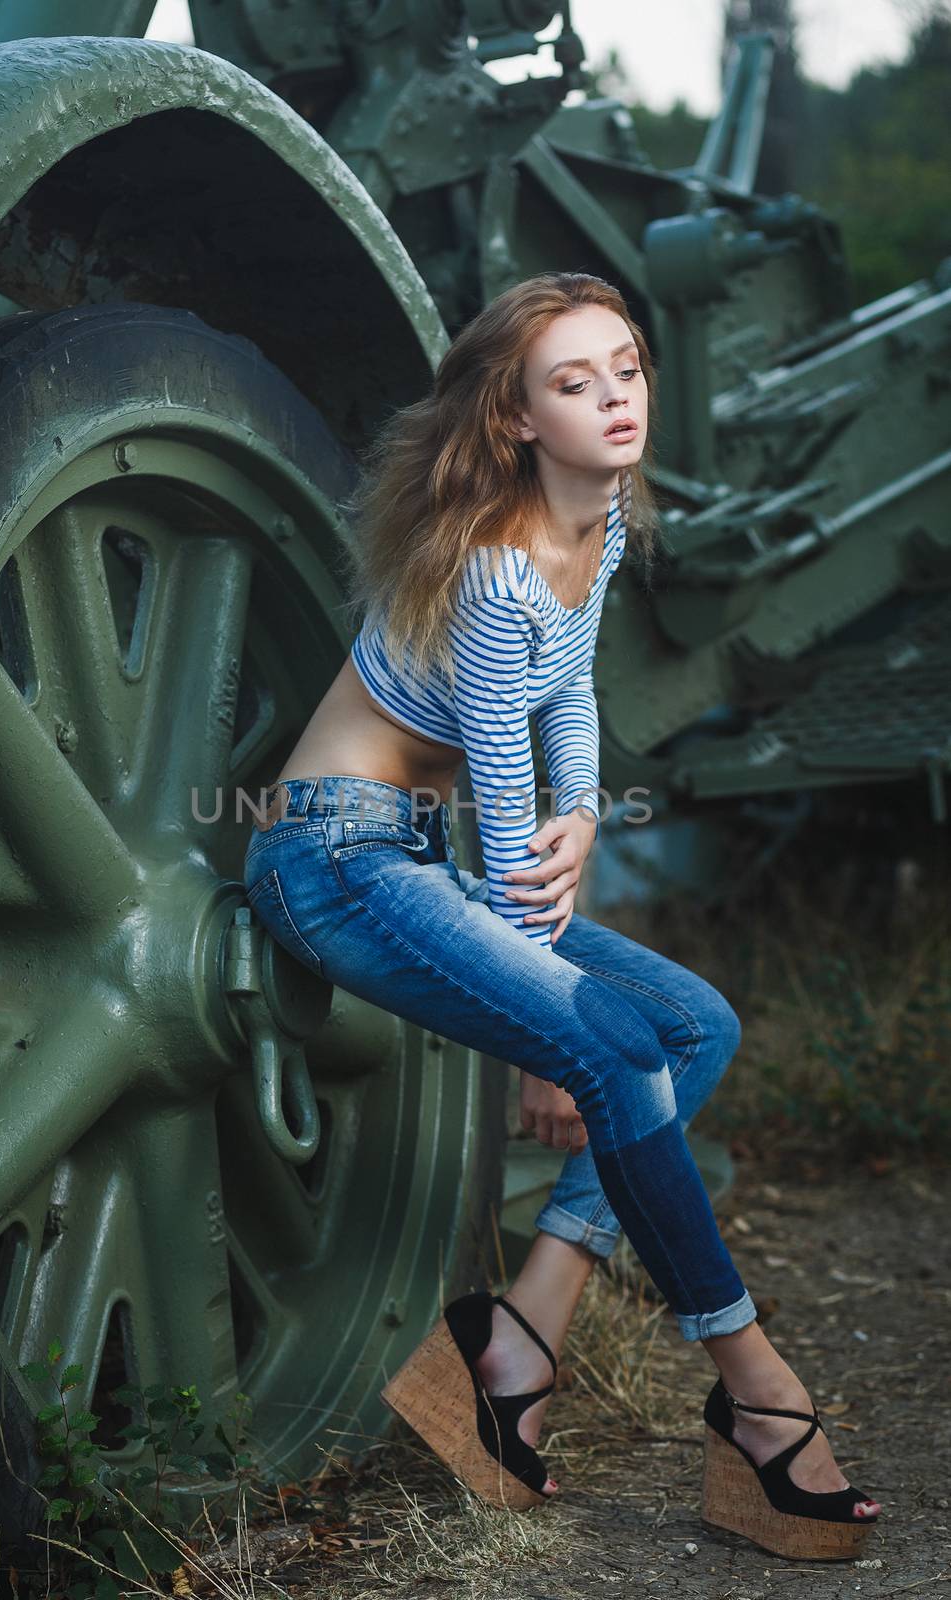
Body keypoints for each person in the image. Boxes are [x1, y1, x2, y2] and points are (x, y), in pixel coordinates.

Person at [241, 272, 881, 1558]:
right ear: (519, 417)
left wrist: (582, 816)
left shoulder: (601, 513)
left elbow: (568, 694)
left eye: (626, 368)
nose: (613, 399)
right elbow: (491, 772)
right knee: (616, 1049)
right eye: (572, 383)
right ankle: (758, 1397)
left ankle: (519, 1338)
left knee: (692, 1027)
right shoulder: (490, 562)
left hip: (428, 866)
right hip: (338, 856)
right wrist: (546, 1022)